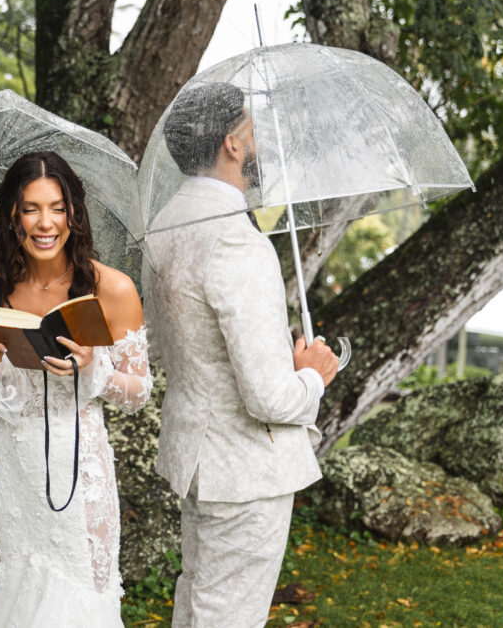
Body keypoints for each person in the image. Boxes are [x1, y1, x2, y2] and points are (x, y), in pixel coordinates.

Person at [144, 82, 339, 627]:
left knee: (200, 604)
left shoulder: (164, 227)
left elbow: (167, 347)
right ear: (232, 143)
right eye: (252, 131)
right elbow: (270, 397)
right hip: (244, 471)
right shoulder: (235, 239)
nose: (257, 144)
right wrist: (313, 375)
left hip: (199, 459)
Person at [0, 151, 153, 627]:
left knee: (82, 596)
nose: (45, 223)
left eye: (57, 207)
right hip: (19, 469)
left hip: (82, 465)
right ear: (11, 214)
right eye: (30, 208)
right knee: (23, 589)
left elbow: (141, 391)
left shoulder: (112, 288)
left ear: (74, 213)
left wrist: (95, 372)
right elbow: (4, 401)